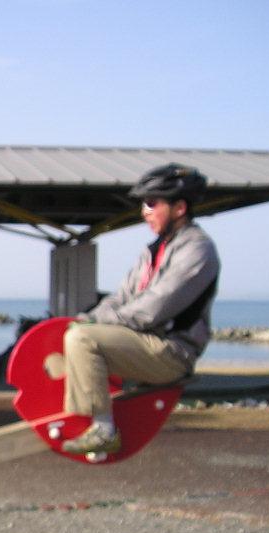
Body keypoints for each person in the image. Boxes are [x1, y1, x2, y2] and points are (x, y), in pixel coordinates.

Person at [61, 163, 220, 455]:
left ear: (179, 208)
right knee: (76, 332)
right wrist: (89, 317)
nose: (144, 212)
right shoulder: (152, 251)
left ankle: (103, 430)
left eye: (151, 203)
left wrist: (92, 325)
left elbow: (153, 308)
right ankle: (84, 416)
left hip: (172, 350)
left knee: (82, 339)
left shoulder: (197, 250)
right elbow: (120, 298)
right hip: (147, 341)